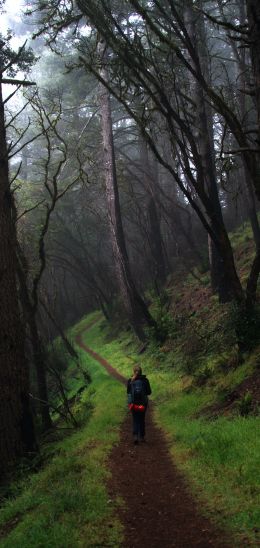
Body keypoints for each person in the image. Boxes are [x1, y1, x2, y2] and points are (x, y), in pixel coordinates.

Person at [127, 365, 151, 445]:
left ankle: (135, 436)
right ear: (141, 372)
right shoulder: (145, 380)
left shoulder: (130, 380)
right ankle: (142, 437)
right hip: (143, 403)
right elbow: (149, 392)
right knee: (142, 419)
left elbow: (128, 392)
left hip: (134, 404)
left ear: (133, 372)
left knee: (135, 419)